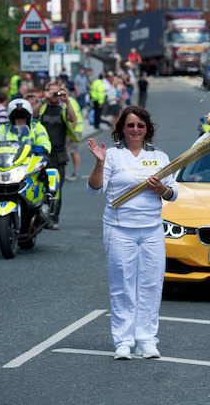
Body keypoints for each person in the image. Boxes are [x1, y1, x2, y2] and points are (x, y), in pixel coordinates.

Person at [86, 105, 178, 360]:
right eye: (130, 125)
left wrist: (161, 189)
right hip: (119, 230)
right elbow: (95, 190)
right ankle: (123, 341)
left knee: (151, 285)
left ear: (147, 129)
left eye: (140, 125)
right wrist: (99, 163)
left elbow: (174, 193)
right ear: (122, 129)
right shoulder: (113, 156)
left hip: (151, 230)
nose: (135, 129)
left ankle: (146, 340)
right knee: (122, 286)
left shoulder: (160, 157)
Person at [0, 98, 52, 254]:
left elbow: (45, 143)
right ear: (11, 118)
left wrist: (42, 150)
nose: (20, 120)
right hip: (4, 167)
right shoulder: (3, 130)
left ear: (28, 117)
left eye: (23, 117)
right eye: (16, 117)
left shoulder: (36, 128)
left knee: (46, 176)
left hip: (25, 166)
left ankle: (45, 210)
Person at [38, 81, 77, 229]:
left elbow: (73, 119)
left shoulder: (62, 108)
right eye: (52, 92)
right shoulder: (41, 109)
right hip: (42, 155)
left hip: (59, 155)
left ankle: (54, 218)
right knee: (41, 187)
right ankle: (41, 217)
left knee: (56, 189)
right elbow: (32, 116)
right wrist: (43, 99)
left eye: (57, 92)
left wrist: (67, 101)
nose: (54, 95)